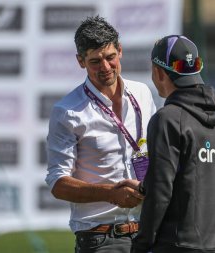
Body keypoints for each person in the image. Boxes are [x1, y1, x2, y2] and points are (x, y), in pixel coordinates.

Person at [45, 16, 156, 253]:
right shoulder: (67, 111)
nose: (105, 67)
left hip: (148, 233)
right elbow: (57, 183)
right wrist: (110, 194)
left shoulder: (143, 93)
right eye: (95, 61)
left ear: (120, 51)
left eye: (110, 57)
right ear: (80, 61)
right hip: (100, 239)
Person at [118, 35, 215, 253]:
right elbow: (191, 178)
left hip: (177, 245)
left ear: (159, 72)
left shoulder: (167, 119)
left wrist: (141, 245)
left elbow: (161, 191)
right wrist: (144, 187)